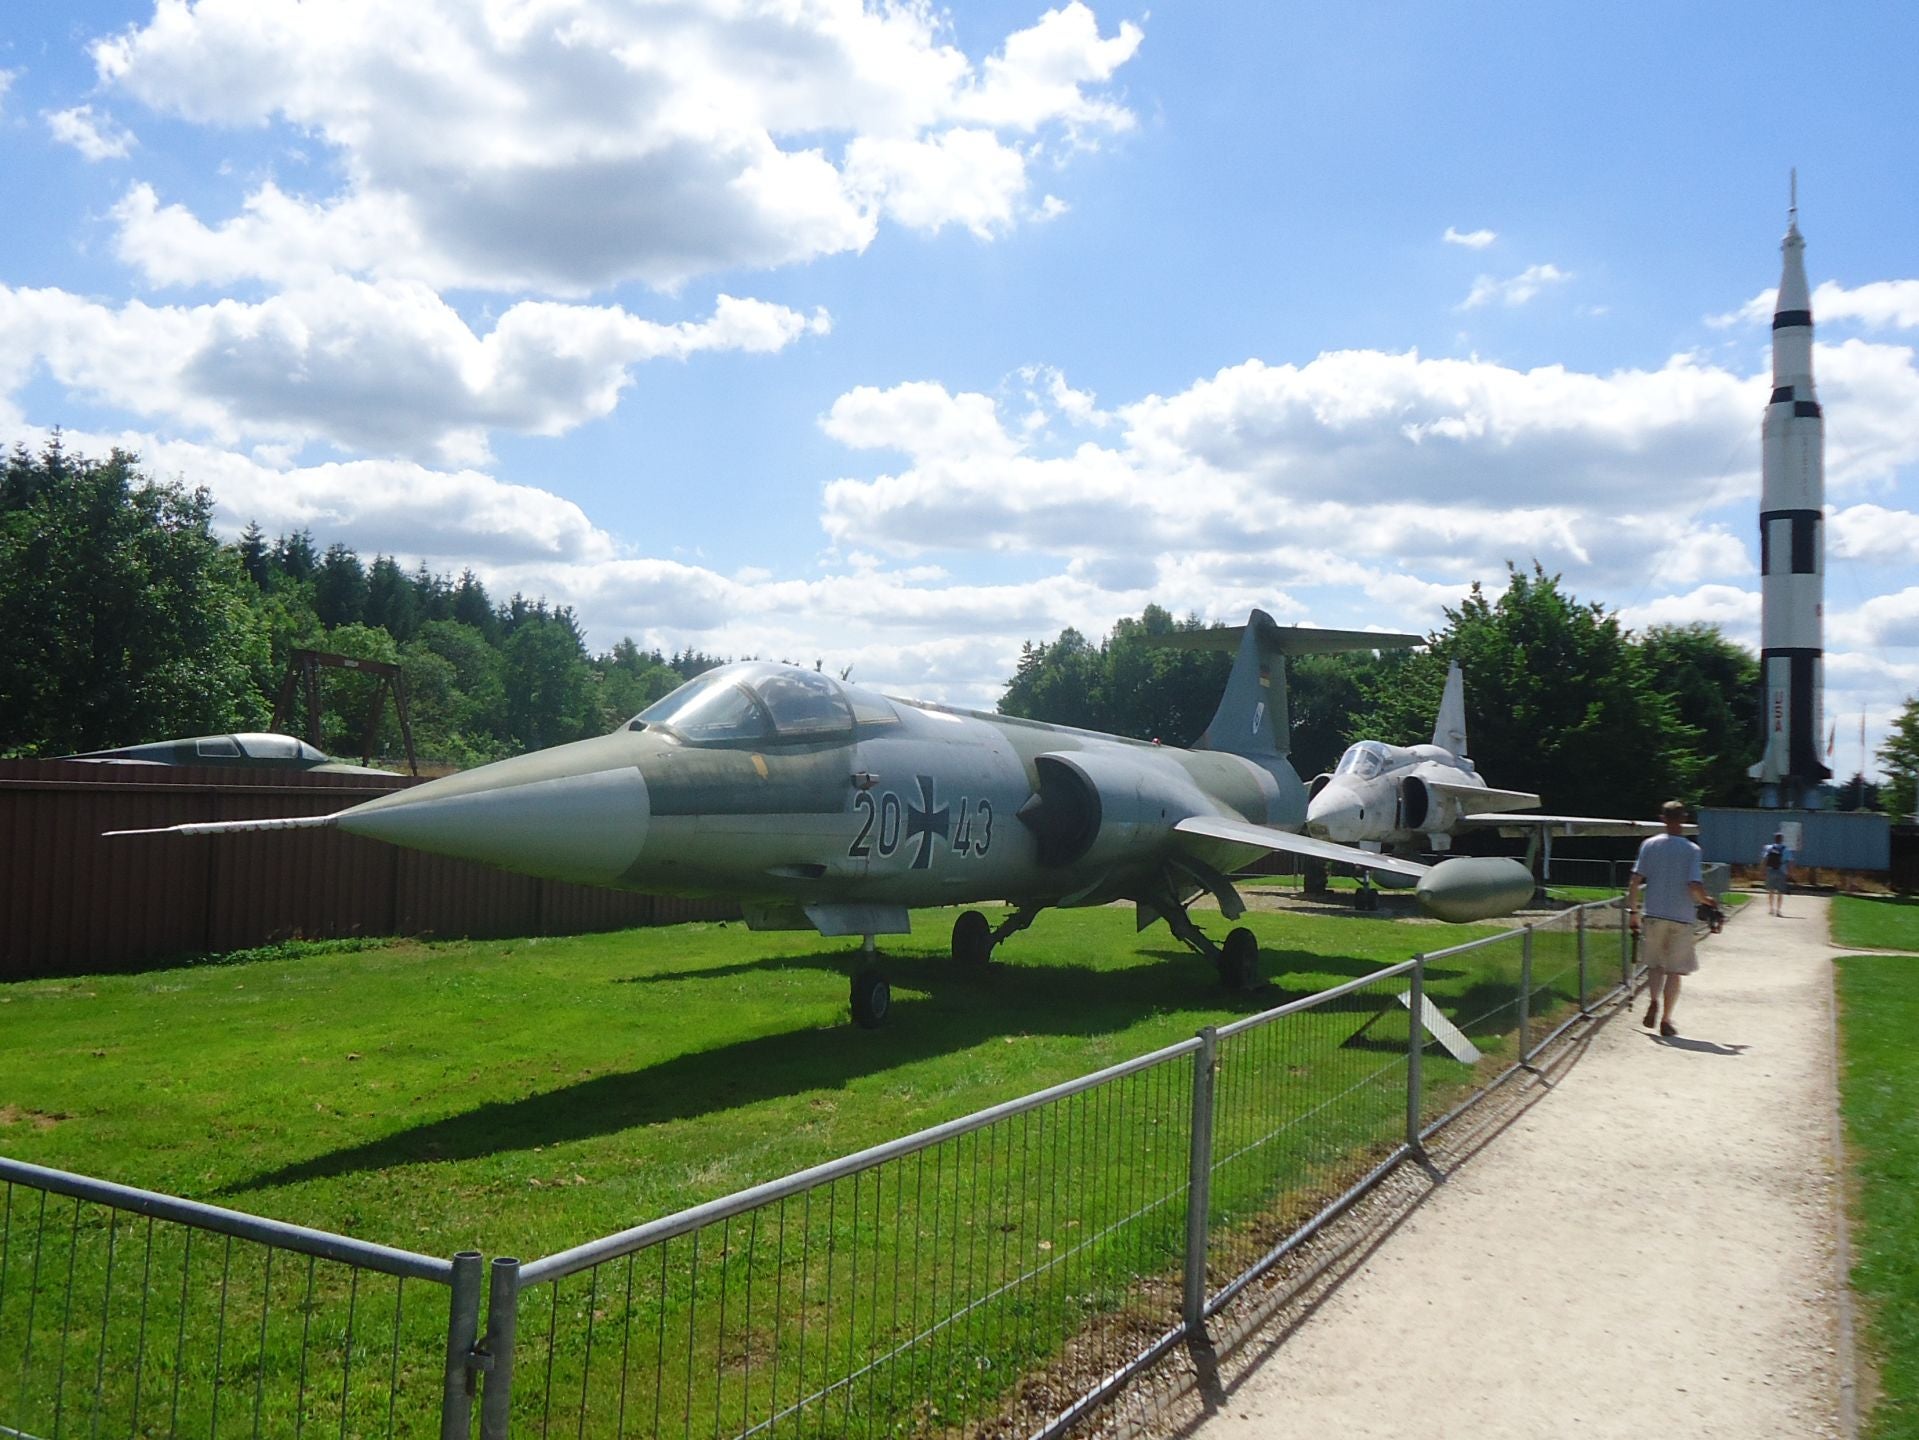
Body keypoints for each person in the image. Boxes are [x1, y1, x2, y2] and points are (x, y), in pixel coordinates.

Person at [1626, 800, 1711, 1037]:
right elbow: (1694, 884)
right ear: (1683, 819)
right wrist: (1707, 900)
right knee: (1675, 970)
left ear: (1662, 819)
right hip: (1681, 916)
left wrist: (1633, 911)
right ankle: (1666, 1018)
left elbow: (1635, 880)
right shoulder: (1692, 850)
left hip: (1653, 913)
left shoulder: (1649, 844)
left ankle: (1653, 1000)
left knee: (1655, 965)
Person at [1759, 830, 1793, 916]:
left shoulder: (1768, 848)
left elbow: (1764, 860)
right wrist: (1790, 873)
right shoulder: (1786, 849)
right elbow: (1790, 862)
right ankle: (1778, 910)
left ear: (1774, 839)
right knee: (1780, 892)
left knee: (1771, 891)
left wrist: (1762, 871)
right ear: (1782, 839)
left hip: (1770, 871)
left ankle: (1771, 909)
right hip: (1782, 871)